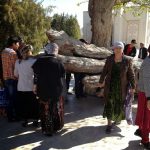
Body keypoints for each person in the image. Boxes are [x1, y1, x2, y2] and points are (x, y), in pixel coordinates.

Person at [97, 41, 135, 134]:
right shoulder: (109, 59)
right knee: (109, 105)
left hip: (121, 88)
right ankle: (109, 124)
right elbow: (104, 71)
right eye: (115, 48)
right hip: (110, 86)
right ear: (113, 49)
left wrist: (133, 86)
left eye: (119, 48)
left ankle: (117, 119)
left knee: (119, 105)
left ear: (122, 50)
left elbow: (131, 74)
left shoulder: (127, 60)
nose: (117, 50)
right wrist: (101, 81)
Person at [32, 42, 65, 136]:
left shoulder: (39, 61)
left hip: (43, 90)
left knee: (45, 109)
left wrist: (34, 86)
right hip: (56, 90)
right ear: (55, 50)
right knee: (55, 108)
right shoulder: (58, 62)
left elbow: (36, 76)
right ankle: (56, 127)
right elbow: (62, 76)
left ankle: (47, 129)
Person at [14, 45, 39, 127]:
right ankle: (35, 120)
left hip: (21, 87)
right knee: (34, 104)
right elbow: (37, 75)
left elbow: (15, 74)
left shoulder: (18, 62)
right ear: (30, 52)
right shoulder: (34, 61)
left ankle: (25, 120)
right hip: (31, 87)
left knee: (24, 104)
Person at [134, 44, 150, 149]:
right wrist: (149, 98)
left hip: (145, 92)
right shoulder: (148, 62)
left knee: (145, 116)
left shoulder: (147, 59)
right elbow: (147, 80)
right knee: (147, 118)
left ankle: (140, 131)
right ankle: (145, 140)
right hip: (147, 94)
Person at [1, 36, 19, 122]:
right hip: (12, 78)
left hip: (5, 78)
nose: (18, 45)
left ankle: (9, 116)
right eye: (18, 43)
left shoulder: (3, 51)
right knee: (14, 98)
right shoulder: (13, 53)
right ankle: (14, 117)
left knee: (8, 98)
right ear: (13, 44)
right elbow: (16, 67)